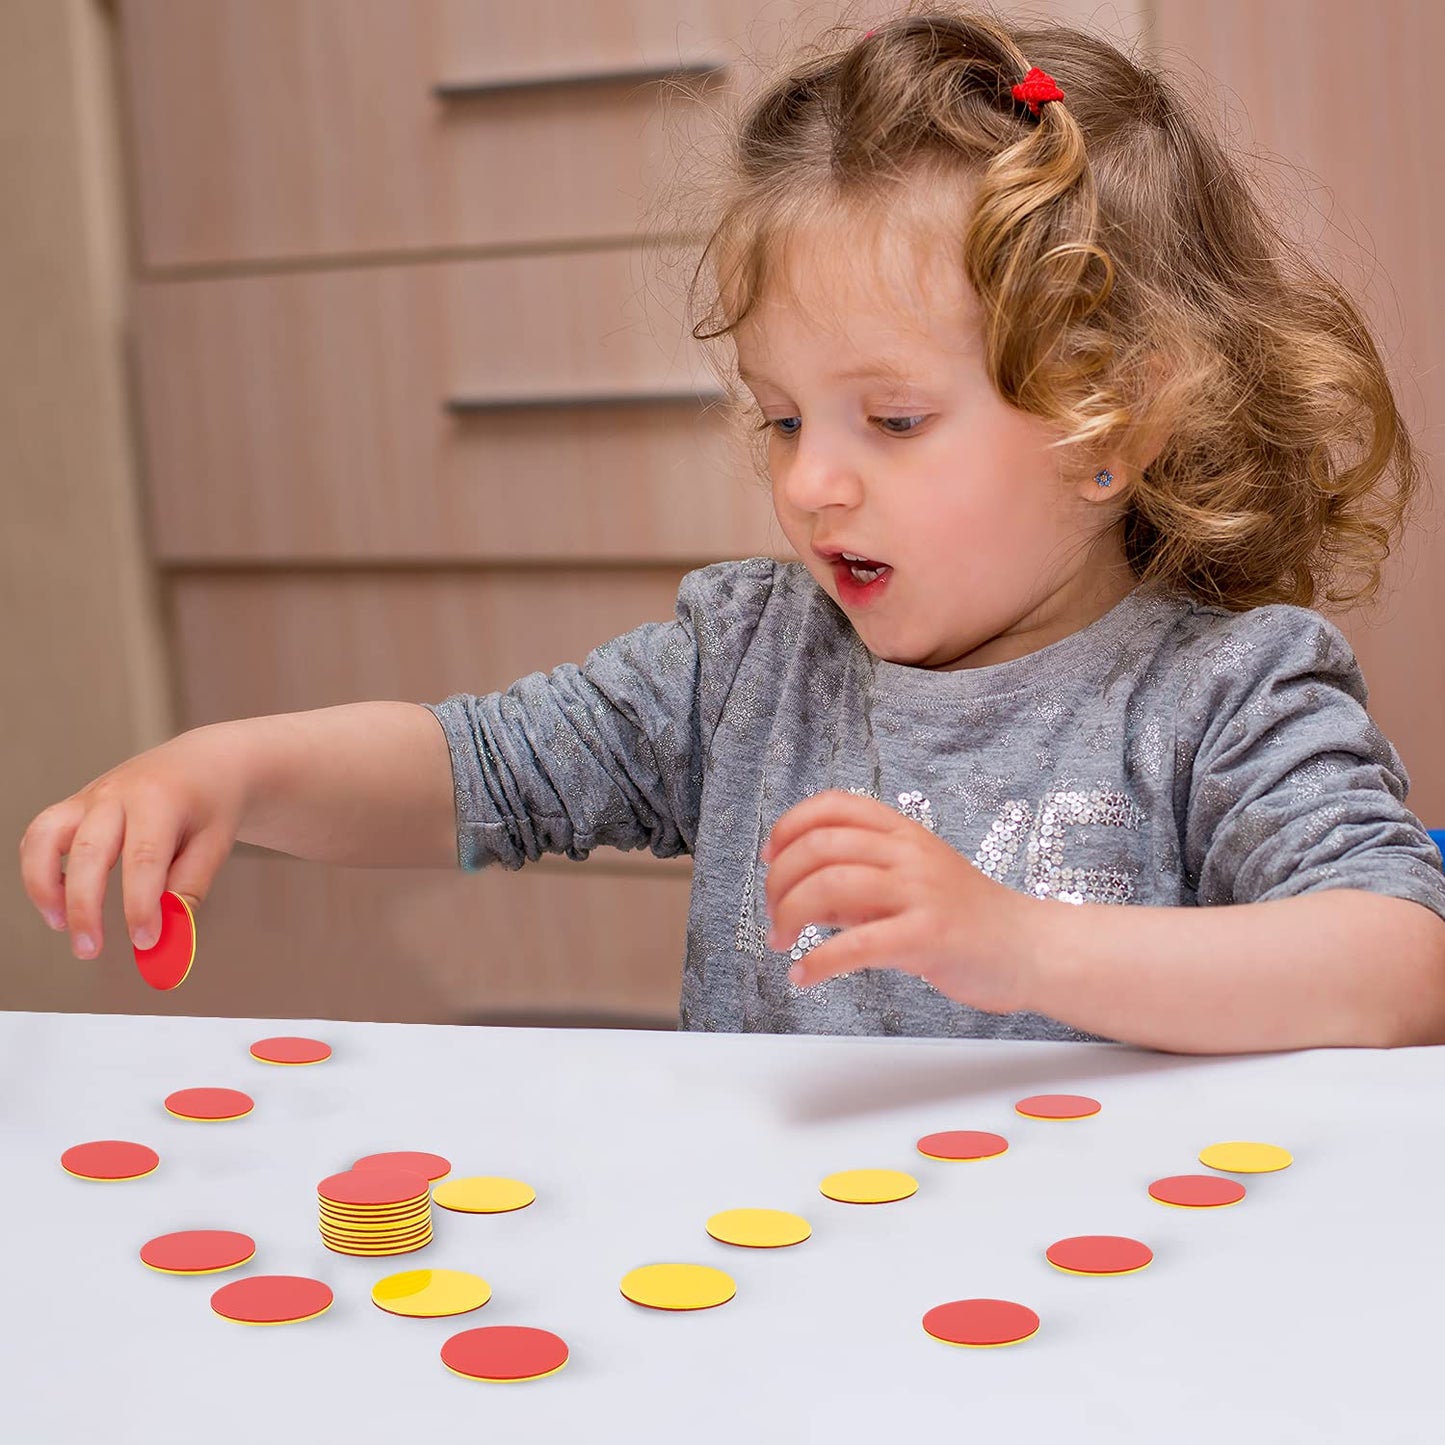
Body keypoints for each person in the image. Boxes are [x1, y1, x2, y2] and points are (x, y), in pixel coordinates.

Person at [19, 6, 1445, 1053]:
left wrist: (1021, 945)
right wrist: (234, 771)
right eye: (780, 419)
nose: (810, 483)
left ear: (1112, 427)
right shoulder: (751, 657)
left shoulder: (1226, 692)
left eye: (888, 421)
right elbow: (475, 771)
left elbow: (1398, 964)